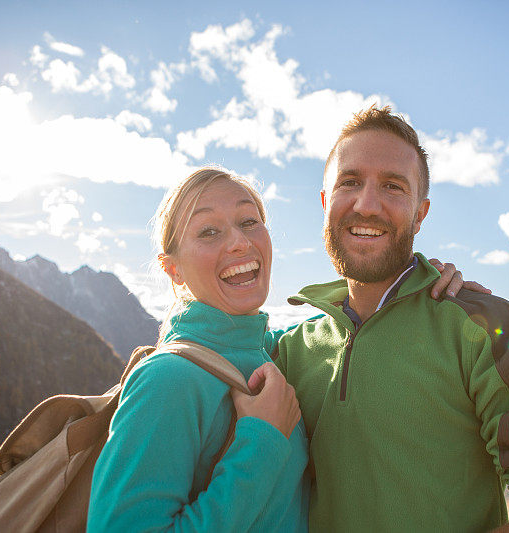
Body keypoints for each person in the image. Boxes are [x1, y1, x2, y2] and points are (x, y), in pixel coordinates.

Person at [87, 167, 483, 532]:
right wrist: (261, 441)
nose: (240, 242)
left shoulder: (273, 353)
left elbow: (345, 331)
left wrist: (417, 284)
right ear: (172, 268)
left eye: (249, 222)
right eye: (209, 231)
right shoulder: (167, 379)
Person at [273, 106, 509, 532]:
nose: (366, 204)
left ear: (420, 214)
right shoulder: (287, 351)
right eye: (349, 182)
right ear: (324, 202)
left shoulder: (486, 327)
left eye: (393, 186)